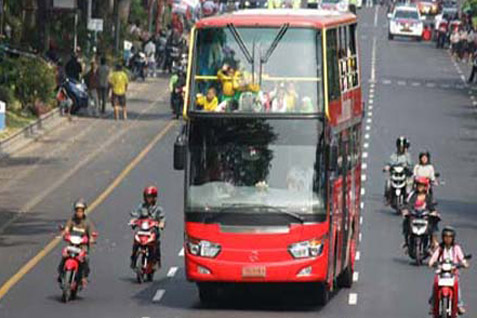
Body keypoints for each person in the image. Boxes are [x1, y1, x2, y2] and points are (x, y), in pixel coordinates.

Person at [428, 227, 470, 315]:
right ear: (443, 238)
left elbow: (462, 258)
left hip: (453, 273)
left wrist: (464, 263)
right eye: (446, 236)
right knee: (435, 285)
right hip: (441, 273)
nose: (448, 239)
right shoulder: (440, 248)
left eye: (450, 237)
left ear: (453, 238)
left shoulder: (456, 248)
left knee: (457, 286)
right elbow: (434, 257)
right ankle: (433, 305)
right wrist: (431, 262)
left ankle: (459, 305)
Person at [57, 199, 96, 285]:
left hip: (82, 246)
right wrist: (64, 233)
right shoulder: (72, 220)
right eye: (77, 211)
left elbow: (91, 233)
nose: (79, 213)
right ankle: (61, 273)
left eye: (81, 211)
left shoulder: (87, 223)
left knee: (85, 259)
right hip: (72, 245)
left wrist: (91, 239)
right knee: (64, 255)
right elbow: (67, 229)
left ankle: (83, 277)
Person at [130, 186, 165, 269]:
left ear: (154, 197)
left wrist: (161, 224)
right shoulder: (141, 207)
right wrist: (133, 221)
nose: (148, 199)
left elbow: (162, 218)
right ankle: (133, 258)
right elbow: (136, 215)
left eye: (150, 197)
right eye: (147, 197)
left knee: (156, 242)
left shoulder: (158, 209)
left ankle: (156, 260)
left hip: (153, 231)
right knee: (136, 238)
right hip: (143, 230)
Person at [401, 177, 440, 250]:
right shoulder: (413, 195)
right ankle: (406, 241)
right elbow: (409, 204)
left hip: (424, 216)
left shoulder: (428, 197)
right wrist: (406, 210)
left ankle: (433, 241)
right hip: (415, 215)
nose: (420, 187)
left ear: (426, 187)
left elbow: (431, 206)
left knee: (433, 223)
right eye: (419, 185)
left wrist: (434, 212)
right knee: (406, 222)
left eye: (422, 185)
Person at [383, 136, 413, 204]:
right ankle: (388, 198)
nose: (401, 149)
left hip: (404, 175)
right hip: (395, 175)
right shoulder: (394, 155)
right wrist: (387, 167)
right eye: (400, 147)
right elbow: (390, 163)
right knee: (388, 183)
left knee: (409, 184)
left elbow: (411, 165)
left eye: (402, 147)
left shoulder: (408, 156)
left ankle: (408, 198)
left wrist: (408, 167)